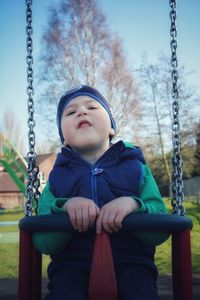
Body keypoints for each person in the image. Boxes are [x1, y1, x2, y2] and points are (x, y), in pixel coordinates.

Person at [33, 85, 169, 300]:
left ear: (111, 129)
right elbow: (44, 242)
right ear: (64, 138)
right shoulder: (56, 179)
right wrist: (65, 207)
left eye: (92, 107)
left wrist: (134, 204)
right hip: (71, 266)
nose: (81, 112)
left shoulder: (137, 170)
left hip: (132, 264)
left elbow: (160, 229)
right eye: (70, 112)